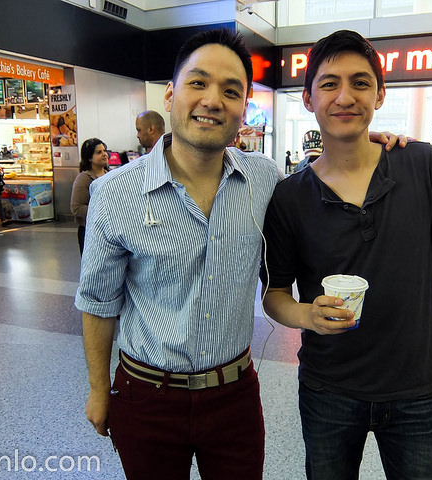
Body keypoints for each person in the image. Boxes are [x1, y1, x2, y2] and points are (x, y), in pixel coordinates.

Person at [75, 28, 405, 480]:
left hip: (233, 396)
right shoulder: (113, 194)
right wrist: (98, 390)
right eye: (198, 83)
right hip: (147, 394)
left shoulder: (264, 180)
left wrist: (371, 144)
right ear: (172, 93)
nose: (213, 100)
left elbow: (331, 173)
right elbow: (98, 303)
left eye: (231, 91)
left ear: (243, 107)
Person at [260, 30, 432, 480]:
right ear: (308, 97)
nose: (345, 97)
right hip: (327, 388)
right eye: (330, 83)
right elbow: (275, 294)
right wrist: (306, 316)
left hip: (417, 390)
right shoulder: (289, 197)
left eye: (360, 82)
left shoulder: (424, 166)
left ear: (379, 94)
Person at [70, 138, 109, 254]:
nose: (104, 154)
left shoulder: (109, 174)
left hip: (108, 230)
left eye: (104, 150)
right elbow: (76, 208)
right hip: (90, 231)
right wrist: (103, 211)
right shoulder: (84, 178)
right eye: (99, 152)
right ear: (89, 157)